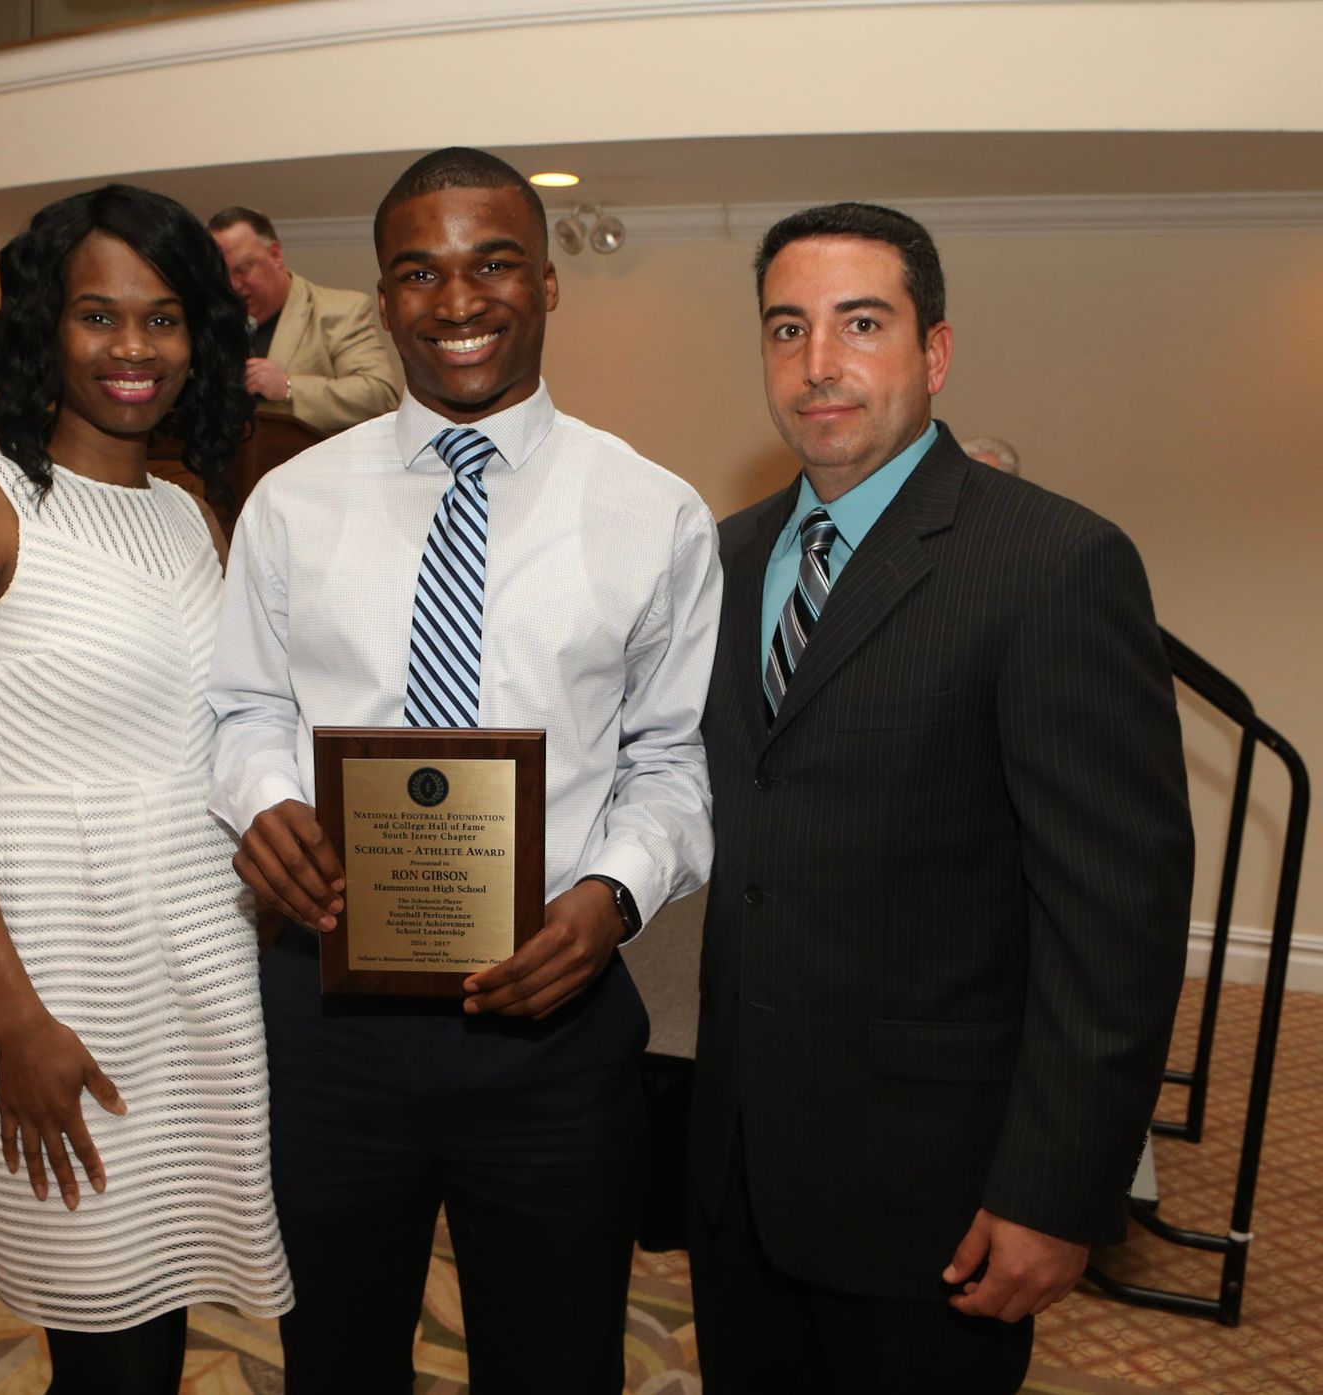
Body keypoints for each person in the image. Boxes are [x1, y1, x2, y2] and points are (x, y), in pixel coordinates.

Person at [208, 147, 720, 1394]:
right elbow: (239, 708)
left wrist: (611, 899)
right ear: (382, 302)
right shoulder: (292, 502)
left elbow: (673, 762)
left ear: (547, 284)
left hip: (554, 1023)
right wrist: (264, 801)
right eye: (418, 273)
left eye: (493, 264)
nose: (458, 301)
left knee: (554, 1362)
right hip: (330, 1022)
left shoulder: (653, 512)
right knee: (335, 1354)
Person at [688, 201, 1192, 1393]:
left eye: (862, 323)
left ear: (936, 352)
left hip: (936, 1191)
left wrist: (1056, 1192)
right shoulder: (724, 556)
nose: (819, 365)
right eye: (786, 328)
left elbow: (1113, 916)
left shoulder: (1054, 562)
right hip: (740, 1171)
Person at [0, 184, 292, 1394]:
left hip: (196, 967)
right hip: (54, 979)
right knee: (103, 1337)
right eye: (98, 317)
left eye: (163, 319)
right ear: (42, 329)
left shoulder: (188, 510)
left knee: (156, 1338)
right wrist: (14, 1021)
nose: (132, 350)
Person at [207, 205, 400, 434]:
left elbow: (381, 395)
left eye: (243, 269)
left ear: (275, 254)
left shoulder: (341, 310)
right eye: (222, 274)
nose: (234, 285)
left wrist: (289, 387)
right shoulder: (211, 324)